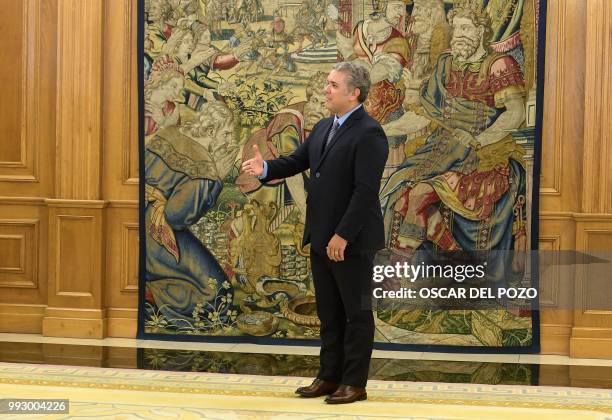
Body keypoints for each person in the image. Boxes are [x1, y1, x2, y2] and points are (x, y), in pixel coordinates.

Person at [242, 62, 388, 404]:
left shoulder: (370, 133)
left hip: (349, 241)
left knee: (356, 314)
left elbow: (365, 191)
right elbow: (295, 162)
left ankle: (354, 383)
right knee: (329, 313)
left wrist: (343, 235)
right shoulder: (323, 127)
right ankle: (328, 377)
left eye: (333, 85)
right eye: (327, 83)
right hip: (321, 238)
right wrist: (264, 167)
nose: (326, 89)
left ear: (354, 93)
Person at [144, 100, 238, 330]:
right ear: (211, 130)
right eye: (226, 133)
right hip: (157, 235)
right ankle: (155, 298)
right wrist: (217, 180)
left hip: (136, 220)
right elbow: (176, 216)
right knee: (219, 293)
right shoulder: (205, 169)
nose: (228, 141)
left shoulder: (170, 132)